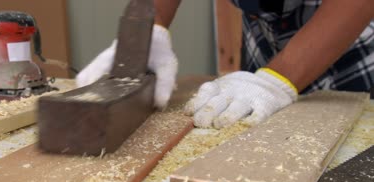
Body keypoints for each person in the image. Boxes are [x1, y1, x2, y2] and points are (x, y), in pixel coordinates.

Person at [76, 0, 373, 129]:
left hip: (347, 29)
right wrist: (150, 28)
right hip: (263, 27)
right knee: (251, 125)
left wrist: (277, 79)